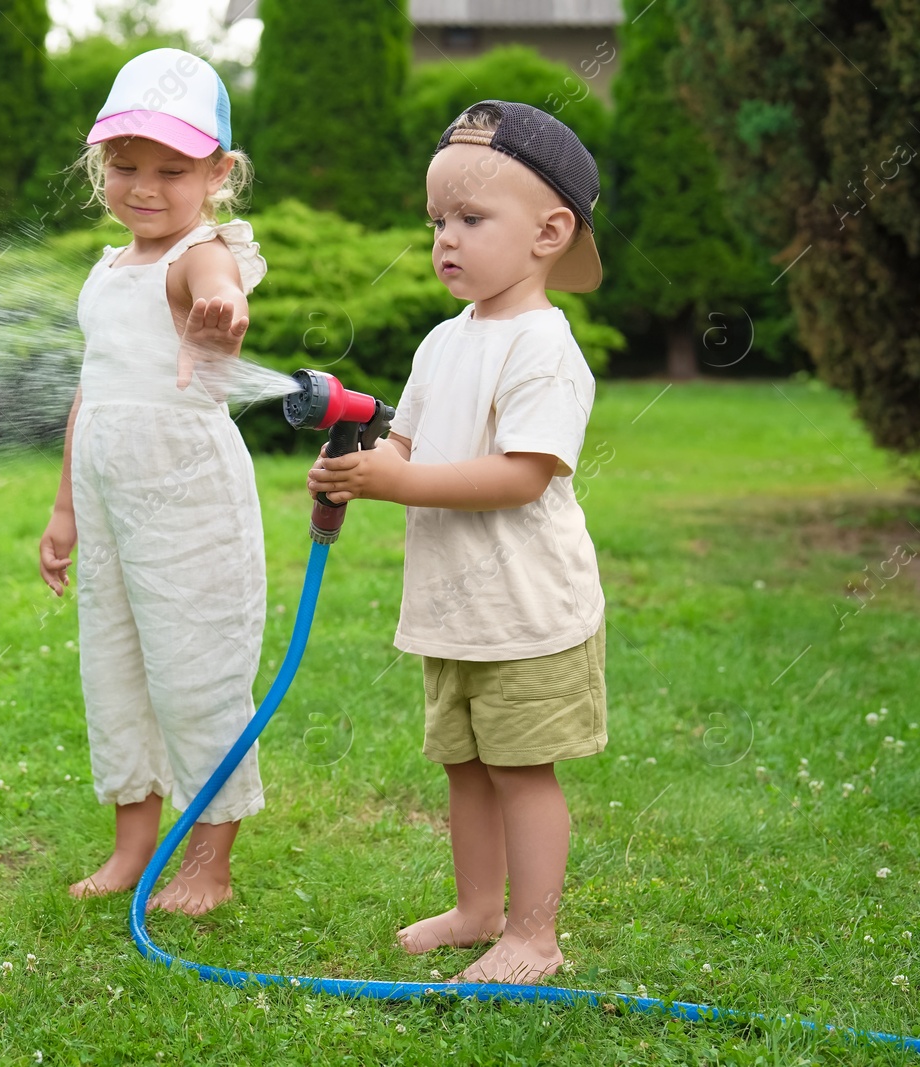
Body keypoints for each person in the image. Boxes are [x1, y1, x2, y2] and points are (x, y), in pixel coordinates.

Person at [308, 100, 609, 983]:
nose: (445, 238)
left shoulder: (545, 349)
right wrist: (363, 465)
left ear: (550, 231)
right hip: (454, 609)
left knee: (522, 773)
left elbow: (523, 472)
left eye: (471, 219)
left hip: (527, 610)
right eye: (437, 220)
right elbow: (410, 446)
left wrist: (399, 478)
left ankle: (534, 936)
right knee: (467, 768)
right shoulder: (443, 342)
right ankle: (479, 909)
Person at [37, 47, 269, 916]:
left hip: (188, 507)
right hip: (106, 504)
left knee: (196, 672)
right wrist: (64, 508)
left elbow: (218, 287)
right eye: (123, 166)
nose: (144, 186)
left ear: (218, 173)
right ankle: (135, 843)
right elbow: (90, 392)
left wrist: (226, 310)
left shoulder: (198, 256)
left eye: (172, 169)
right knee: (118, 668)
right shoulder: (108, 269)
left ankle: (208, 862)